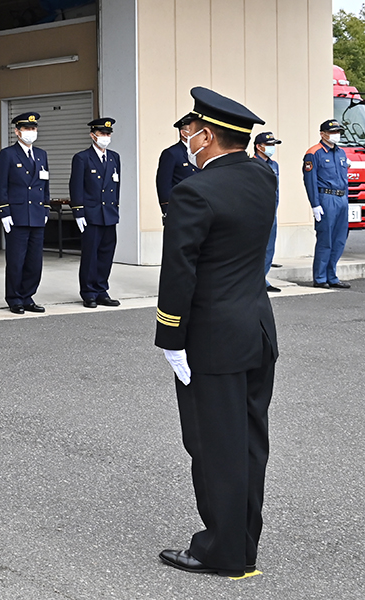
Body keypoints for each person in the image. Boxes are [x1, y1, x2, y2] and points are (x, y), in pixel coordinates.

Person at [155, 87, 278, 578]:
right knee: (248, 445)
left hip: (211, 340)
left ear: (206, 135)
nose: (189, 139)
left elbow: (179, 272)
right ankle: (243, 544)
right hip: (256, 330)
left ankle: (222, 552)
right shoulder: (262, 177)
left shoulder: (194, 191)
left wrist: (170, 338)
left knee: (213, 447)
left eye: (192, 132)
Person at [0, 112, 50, 314]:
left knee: (35, 260)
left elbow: (45, 185)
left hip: (36, 214)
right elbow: (1, 185)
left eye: (33, 129)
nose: (31, 132)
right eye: (27, 129)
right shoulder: (8, 154)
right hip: (17, 215)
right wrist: (4, 212)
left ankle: (28, 296)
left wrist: (45, 207)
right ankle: (14, 298)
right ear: (17, 131)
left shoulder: (41, 154)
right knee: (16, 260)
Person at [69, 117, 121, 309]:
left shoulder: (114, 157)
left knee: (106, 253)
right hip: (91, 214)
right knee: (91, 255)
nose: (106, 137)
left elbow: (116, 186)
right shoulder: (82, 158)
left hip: (109, 213)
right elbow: (76, 186)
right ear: (93, 135)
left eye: (108, 134)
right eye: (102, 134)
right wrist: (78, 212)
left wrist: (115, 208)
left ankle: (101, 290)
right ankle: (89, 292)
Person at [303, 120, 352, 289]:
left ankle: (332, 275)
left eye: (338, 131)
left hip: (341, 198)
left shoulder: (341, 153)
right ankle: (320, 277)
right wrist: (315, 204)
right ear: (322, 134)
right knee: (326, 239)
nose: (336, 135)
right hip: (326, 198)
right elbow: (310, 180)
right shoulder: (314, 153)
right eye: (333, 132)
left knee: (339, 239)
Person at [155, 113, 199, 221]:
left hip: (199, 207)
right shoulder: (172, 153)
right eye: (194, 131)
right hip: (181, 208)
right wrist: (167, 209)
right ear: (184, 133)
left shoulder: (199, 153)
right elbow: (164, 184)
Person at [253, 131, 282, 292]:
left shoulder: (274, 165)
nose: (272, 148)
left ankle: (263, 279)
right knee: (257, 248)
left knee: (269, 247)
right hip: (257, 213)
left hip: (271, 212)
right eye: (269, 145)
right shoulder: (252, 164)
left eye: (273, 145)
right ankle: (255, 281)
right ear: (259, 146)